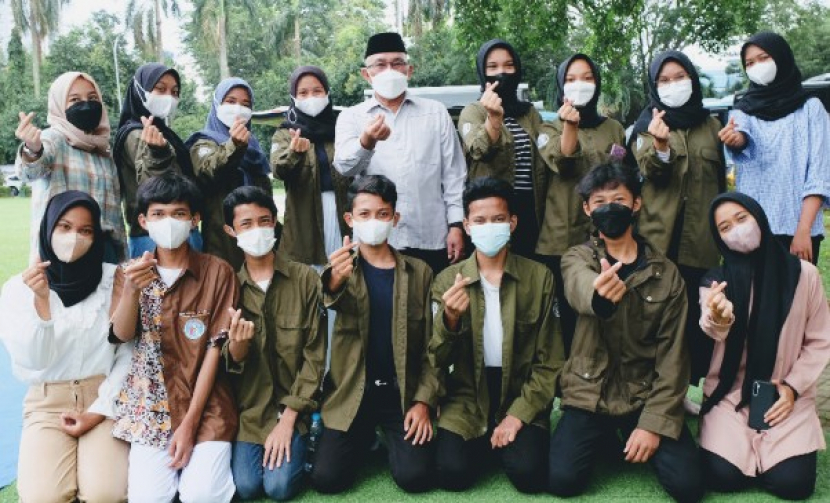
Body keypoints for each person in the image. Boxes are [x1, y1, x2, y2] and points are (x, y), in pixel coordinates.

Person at [547, 163, 703, 503]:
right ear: (587, 208)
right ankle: (605, 437)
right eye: (599, 201)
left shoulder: (667, 273)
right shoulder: (577, 258)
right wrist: (599, 294)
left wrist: (652, 424)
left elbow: (673, 356)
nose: (609, 207)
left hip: (645, 393)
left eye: (619, 198)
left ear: (636, 204)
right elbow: (578, 286)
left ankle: (633, 430)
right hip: (589, 392)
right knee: (562, 479)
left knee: (689, 487)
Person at [109, 172, 239, 502]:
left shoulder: (217, 271)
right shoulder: (129, 272)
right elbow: (121, 335)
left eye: (179, 213)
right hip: (151, 403)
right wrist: (131, 292)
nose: (169, 221)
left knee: (203, 495)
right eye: (158, 214)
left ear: (195, 219)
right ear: (143, 220)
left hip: (205, 402)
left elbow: (215, 349)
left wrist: (190, 425)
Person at [430, 177, 563, 493]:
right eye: (480, 220)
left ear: (513, 222)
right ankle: (483, 440)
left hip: (520, 389)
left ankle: (502, 438)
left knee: (529, 476)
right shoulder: (448, 279)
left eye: (498, 219)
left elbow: (551, 361)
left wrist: (517, 416)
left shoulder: (539, 277)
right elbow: (435, 356)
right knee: (452, 474)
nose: (489, 227)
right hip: (466, 393)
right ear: (467, 224)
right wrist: (449, 320)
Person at [0, 191, 132, 502]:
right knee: (41, 497)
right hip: (47, 404)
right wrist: (42, 303)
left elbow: (127, 352)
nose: (74, 238)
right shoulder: (20, 289)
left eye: (85, 230)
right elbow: (32, 361)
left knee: (106, 494)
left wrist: (100, 408)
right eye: (64, 226)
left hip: (102, 398)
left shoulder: (114, 280)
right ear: (47, 229)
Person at [310, 175, 438, 494]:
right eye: (364, 214)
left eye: (382, 214)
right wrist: (336, 279)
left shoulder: (419, 272)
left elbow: (433, 347)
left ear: (395, 218)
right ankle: (364, 437)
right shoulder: (341, 269)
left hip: (401, 394)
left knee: (415, 477)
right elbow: (330, 294)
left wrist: (423, 401)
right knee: (328, 479)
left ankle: (386, 438)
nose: (374, 222)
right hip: (353, 393)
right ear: (349, 219)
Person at [698, 192, 830, 500]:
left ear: (759, 217)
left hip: (785, 396)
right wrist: (719, 316)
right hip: (731, 394)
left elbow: (820, 339)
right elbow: (710, 323)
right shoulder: (716, 282)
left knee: (793, 485)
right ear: (719, 239)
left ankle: (774, 452)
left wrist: (793, 387)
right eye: (725, 227)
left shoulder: (804, 276)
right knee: (722, 476)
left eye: (742, 219)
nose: (737, 230)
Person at [221, 186, 326, 501]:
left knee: (278, 488)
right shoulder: (229, 285)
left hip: (294, 407)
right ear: (230, 230)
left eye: (264, 221)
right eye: (246, 224)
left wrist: (289, 418)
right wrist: (238, 347)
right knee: (248, 486)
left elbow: (315, 356)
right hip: (251, 412)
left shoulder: (305, 279)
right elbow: (229, 362)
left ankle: (309, 438)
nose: (257, 230)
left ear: (275, 222)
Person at [631, 50, 724, 403]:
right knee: (655, 319)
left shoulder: (712, 126)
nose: (673, 85)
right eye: (664, 81)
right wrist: (660, 145)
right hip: (658, 242)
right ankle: (648, 393)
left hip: (700, 242)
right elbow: (648, 173)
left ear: (693, 79)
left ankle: (682, 390)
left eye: (679, 77)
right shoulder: (645, 127)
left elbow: (721, 183)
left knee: (693, 323)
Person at [333, 32, 467, 275]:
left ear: (409, 70)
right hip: (376, 238)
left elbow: (454, 175)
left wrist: (456, 224)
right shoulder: (352, 117)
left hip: (430, 236)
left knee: (429, 307)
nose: (390, 70)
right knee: (380, 308)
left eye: (397, 63)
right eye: (380, 65)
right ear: (366, 74)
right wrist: (366, 141)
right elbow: (344, 167)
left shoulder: (435, 113)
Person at [536, 53, 626, 356]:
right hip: (560, 239)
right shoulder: (548, 129)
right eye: (572, 79)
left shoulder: (613, 128)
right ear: (561, 86)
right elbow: (562, 162)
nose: (580, 84)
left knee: (604, 312)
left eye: (587, 77)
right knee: (566, 321)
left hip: (606, 237)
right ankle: (567, 387)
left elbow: (624, 174)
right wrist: (569, 126)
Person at [721, 31, 830, 265]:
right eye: (749, 63)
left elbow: (819, 174)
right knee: (758, 301)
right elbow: (742, 137)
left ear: (781, 58)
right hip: (753, 231)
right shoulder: (744, 109)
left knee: (798, 299)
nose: (757, 66)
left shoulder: (811, 108)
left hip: (800, 229)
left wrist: (803, 230)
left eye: (763, 58)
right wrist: (735, 139)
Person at [15, 71, 127, 264]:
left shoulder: (103, 151)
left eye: (92, 98)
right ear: (59, 104)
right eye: (75, 99)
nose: (85, 104)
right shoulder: (53, 139)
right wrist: (32, 149)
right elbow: (29, 172)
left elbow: (115, 213)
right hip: (63, 249)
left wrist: (122, 257)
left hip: (104, 251)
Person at [457, 39, 547, 259]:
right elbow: (479, 150)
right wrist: (494, 120)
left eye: (508, 66)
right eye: (493, 67)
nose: (502, 73)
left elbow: (547, 154)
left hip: (529, 210)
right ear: (482, 72)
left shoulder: (529, 113)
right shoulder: (473, 111)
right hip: (490, 212)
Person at [113, 62, 202, 258]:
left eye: (174, 91)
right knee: (157, 289)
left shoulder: (164, 133)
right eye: (160, 89)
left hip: (180, 229)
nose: (168, 97)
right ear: (139, 90)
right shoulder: (137, 134)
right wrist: (157, 153)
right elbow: (152, 186)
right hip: (154, 236)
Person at [185, 77, 271, 270]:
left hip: (258, 233)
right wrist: (234, 146)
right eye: (231, 101)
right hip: (221, 238)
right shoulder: (203, 143)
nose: (238, 108)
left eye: (245, 104)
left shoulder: (253, 147)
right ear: (217, 104)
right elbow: (207, 171)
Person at [272, 65, 352, 267]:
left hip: (343, 212)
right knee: (309, 278)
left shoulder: (342, 128)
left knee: (343, 270)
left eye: (317, 91)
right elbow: (278, 170)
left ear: (327, 93)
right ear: (294, 97)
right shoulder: (285, 133)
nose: (311, 97)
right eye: (303, 93)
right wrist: (294, 153)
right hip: (304, 219)